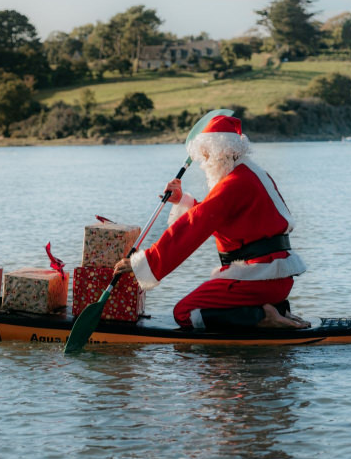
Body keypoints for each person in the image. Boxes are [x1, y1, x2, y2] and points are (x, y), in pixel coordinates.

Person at [113, 115, 308, 330]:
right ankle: (275, 310)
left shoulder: (234, 183)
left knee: (185, 313)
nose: (204, 163)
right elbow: (218, 217)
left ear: (220, 152)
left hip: (260, 276)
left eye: (206, 155)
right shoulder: (251, 174)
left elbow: (195, 225)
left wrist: (142, 262)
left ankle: (262, 317)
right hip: (274, 276)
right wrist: (182, 201)